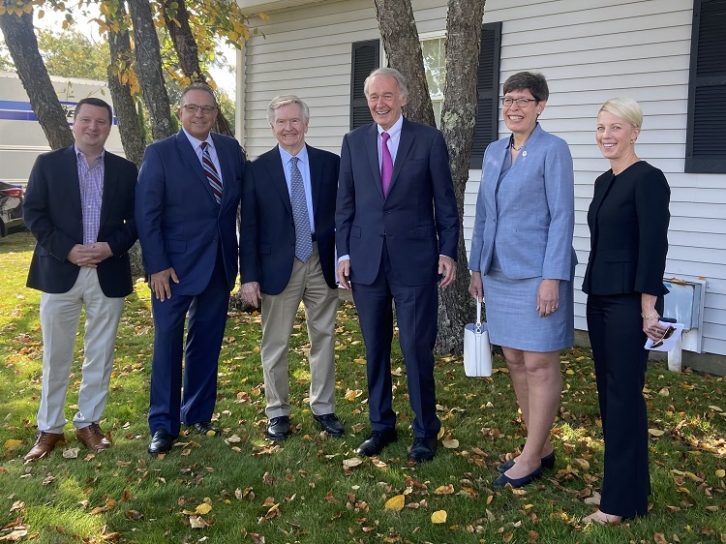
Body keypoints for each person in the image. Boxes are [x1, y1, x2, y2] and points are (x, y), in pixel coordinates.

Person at [336, 67, 459, 462]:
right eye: (373, 96)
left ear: (403, 98)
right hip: (367, 263)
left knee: (414, 347)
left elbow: (446, 202)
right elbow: (345, 205)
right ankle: (381, 425)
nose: (379, 103)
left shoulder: (428, 140)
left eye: (387, 96)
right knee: (375, 348)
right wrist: (344, 254)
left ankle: (426, 430)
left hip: (415, 261)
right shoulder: (353, 142)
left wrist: (448, 250)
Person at [468, 71, 576, 487]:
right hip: (497, 272)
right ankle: (541, 446)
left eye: (523, 100)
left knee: (539, 361)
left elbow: (561, 216)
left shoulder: (554, 150)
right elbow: (483, 213)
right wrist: (477, 266)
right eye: (508, 99)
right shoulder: (495, 151)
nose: (513, 107)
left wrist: (552, 277)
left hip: (537, 273)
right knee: (513, 358)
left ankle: (530, 456)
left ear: (541, 106)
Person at [22, 98, 137, 461]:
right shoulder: (48, 165)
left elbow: (136, 222)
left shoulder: (124, 170)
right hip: (60, 270)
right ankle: (50, 428)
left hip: (107, 271)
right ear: (74, 123)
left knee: (100, 354)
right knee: (57, 354)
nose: (92, 127)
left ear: (109, 126)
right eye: (86, 120)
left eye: (100, 121)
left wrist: (110, 248)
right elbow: (33, 214)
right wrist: (68, 250)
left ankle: (89, 422)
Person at [136, 83, 245, 455]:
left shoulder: (230, 150)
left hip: (218, 264)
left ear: (216, 114)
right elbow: (147, 215)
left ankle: (198, 412)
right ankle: (163, 424)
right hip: (173, 271)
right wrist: (158, 265)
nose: (200, 115)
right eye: (192, 108)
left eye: (207, 109)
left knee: (206, 341)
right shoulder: (161, 153)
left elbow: (237, 207)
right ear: (179, 112)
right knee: (167, 342)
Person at [581, 97, 670, 524]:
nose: (607, 136)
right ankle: (623, 491)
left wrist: (648, 310)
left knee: (623, 397)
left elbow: (654, 248)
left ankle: (617, 503)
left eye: (616, 127)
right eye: (601, 128)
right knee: (611, 395)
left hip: (631, 305)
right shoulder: (605, 181)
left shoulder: (649, 179)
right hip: (600, 297)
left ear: (635, 131)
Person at [239, 95, 343, 440]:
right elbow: (250, 226)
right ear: (272, 127)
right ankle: (277, 412)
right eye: (281, 122)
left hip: (319, 258)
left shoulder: (330, 164)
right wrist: (249, 276)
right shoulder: (257, 169)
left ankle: (324, 407)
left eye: (295, 121)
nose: (288, 127)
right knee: (276, 342)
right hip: (277, 265)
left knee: (324, 336)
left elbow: (344, 216)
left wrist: (344, 258)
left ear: (306, 124)